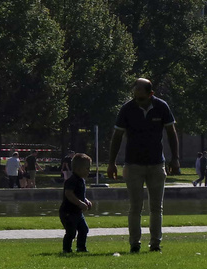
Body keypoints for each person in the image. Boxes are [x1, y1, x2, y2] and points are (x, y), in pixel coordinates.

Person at [108, 76, 180, 253]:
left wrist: (175, 158)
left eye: (140, 91)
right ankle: (134, 244)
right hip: (133, 164)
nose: (136, 93)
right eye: (135, 90)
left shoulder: (161, 107)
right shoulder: (127, 109)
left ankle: (155, 244)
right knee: (135, 207)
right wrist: (111, 163)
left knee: (156, 207)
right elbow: (117, 137)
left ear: (150, 93)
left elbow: (171, 132)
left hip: (156, 163)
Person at [60, 152, 92, 253]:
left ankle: (81, 248)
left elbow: (80, 194)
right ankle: (66, 249)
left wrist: (86, 201)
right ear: (78, 169)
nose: (89, 171)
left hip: (77, 212)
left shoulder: (81, 180)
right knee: (71, 232)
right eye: (87, 168)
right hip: (68, 212)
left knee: (84, 229)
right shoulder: (72, 180)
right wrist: (80, 203)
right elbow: (69, 194)